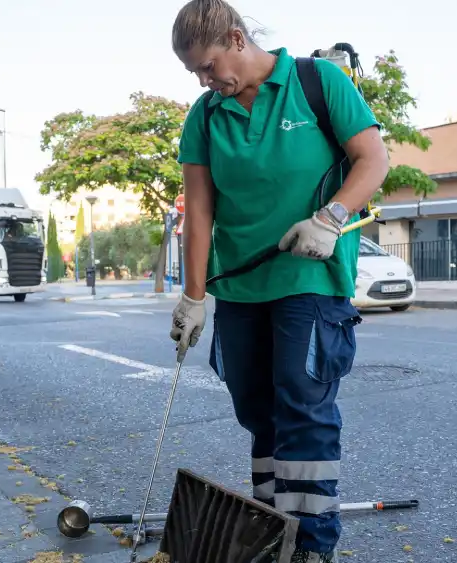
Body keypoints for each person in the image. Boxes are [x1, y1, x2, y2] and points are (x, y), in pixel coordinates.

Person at [168, 0, 390, 561]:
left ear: (237, 40)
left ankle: (311, 548)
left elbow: (372, 160)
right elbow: (199, 213)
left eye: (209, 66)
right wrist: (194, 298)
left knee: (302, 409)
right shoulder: (206, 115)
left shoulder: (320, 84)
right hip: (240, 288)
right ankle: (272, 533)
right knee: (257, 411)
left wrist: (330, 218)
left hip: (308, 281)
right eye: (194, 72)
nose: (204, 79)